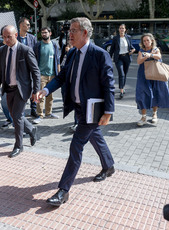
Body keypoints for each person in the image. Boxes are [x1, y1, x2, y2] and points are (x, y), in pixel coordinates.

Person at [36, 17, 115, 206]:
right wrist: (46, 90)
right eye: (69, 30)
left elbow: (108, 85)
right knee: (95, 136)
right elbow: (62, 76)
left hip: (93, 110)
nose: (69, 34)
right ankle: (109, 165)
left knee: (76, 145)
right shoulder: (72, 54)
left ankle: (64, 190)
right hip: (78, 109)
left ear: (85, 33)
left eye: (73, 31)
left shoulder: (99, 54)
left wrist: (108, 112)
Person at [0, 25, 40, 158]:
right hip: (8, 88)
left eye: (9, 36)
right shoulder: (2, 50)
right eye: (4, 37)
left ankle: (19, 146)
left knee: (18, 117)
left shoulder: (25, 50)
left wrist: (36, 91)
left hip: (22, 89)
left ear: (16, 35)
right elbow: (0, 71)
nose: (6, 39)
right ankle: (31, 129)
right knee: (14, 115)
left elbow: (35, 71)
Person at [135, 33, 169, 126]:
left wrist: (150, 54)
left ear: (152, 40)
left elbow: (159, 56)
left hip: (155, 75)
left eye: (147, 40)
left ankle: (154, 114)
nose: (146, 42)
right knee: (141, 94)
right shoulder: (141, 50)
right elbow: (139, 61)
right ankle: (143, 117)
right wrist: (145, 56)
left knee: (155, 93)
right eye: (144, 41)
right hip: (143, 75)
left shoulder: (156, 49)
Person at [32, 27, 61, 124]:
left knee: (50, 95)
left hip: (52, 74)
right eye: (42, 33)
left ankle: (49, 113)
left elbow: (57, 60)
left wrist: (58, 73)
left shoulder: (54, 45)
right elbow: (34, 60)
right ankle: (40, 115)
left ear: (50, 33)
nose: (44, 34)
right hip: (41, 74)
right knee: (40, 95)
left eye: (45, 32)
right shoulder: (38, 45)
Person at [17, 17, 38, 118]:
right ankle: (22, 110)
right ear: (21, 25)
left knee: (33, 85)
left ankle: (34, 108)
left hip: (30, 65)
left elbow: (35, 52)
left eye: (29, 25)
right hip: (19, 66)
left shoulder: (32, 38)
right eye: (27, 25)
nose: (29, 26)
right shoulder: (16, 37)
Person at [109, 24, 135, 99]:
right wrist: (108, 59)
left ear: (125, 29)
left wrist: (132, 51)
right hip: (118, 58)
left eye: (123, 28)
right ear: (119, 30)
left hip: (127, 57)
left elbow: (131, 47)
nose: (121, 30)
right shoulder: (115, 38)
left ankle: (122, 87)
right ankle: (121, 91)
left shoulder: (128, 37)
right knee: (121, 73)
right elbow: (112, 50)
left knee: (125, 74)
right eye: (120, 28)